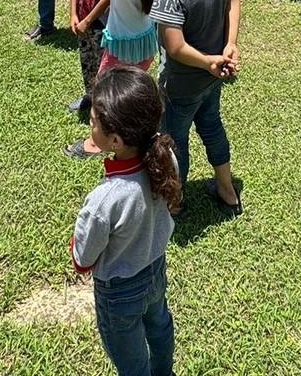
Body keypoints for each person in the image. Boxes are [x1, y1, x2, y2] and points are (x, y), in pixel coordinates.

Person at [72, 66, 180, 376]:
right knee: (160, 327)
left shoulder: (104, 201)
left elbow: (83, 259)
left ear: (116, 140)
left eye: (93, 122)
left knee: (131, 361)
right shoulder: (166, 158)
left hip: (119, 291)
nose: (90, 127)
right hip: (155, 268)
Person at [149, 0, 243, 217]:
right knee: (212, 125)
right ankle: (227, 189)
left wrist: (207, 61)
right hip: (212, 77)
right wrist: (229, 45)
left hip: (183, 81)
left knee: (175, 139)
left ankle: (175, 202)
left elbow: (174, 48)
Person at [67, 0, 160, 159]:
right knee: (133, 87)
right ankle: (137, 129)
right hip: (144, 42)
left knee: (103, 88)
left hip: (121, 43)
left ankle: (97, 142)